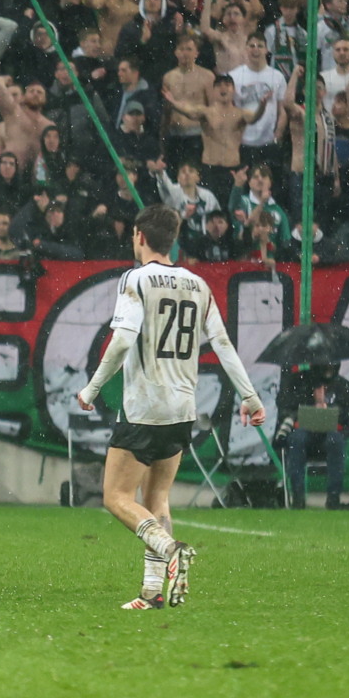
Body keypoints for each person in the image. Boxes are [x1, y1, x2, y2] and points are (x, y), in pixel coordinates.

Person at [76, 205, 266, 610]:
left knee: (115, 496)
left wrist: (92, 389)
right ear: (173, 239)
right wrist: (250, 396)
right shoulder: (197, 284)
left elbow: (124, 340)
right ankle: (152, 592)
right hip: (182, 410)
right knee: (157, 497)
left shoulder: (136, 279)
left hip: (145, 407)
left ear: (140, 237)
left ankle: (168, 548)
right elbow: (223, 344)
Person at [275, 363, 349, 509]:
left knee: (335, 440)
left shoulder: (343, 387)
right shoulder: (300, 384)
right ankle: (298, 497)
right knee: (296, 439)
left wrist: (328, 410)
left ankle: (333, 498)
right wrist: (310, 407)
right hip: (305, 434)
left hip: (331, 435)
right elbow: (285, 407)